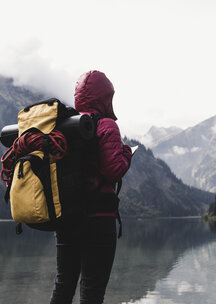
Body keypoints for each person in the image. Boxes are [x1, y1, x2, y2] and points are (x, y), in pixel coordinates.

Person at [50, 70, 132, 304]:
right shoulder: (106, 125)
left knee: (63, 284)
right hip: (99, 219)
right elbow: (113, 170)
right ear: (105, 98)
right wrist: (126, 153)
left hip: (67, 217)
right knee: (92, 291)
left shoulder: (65, 126)